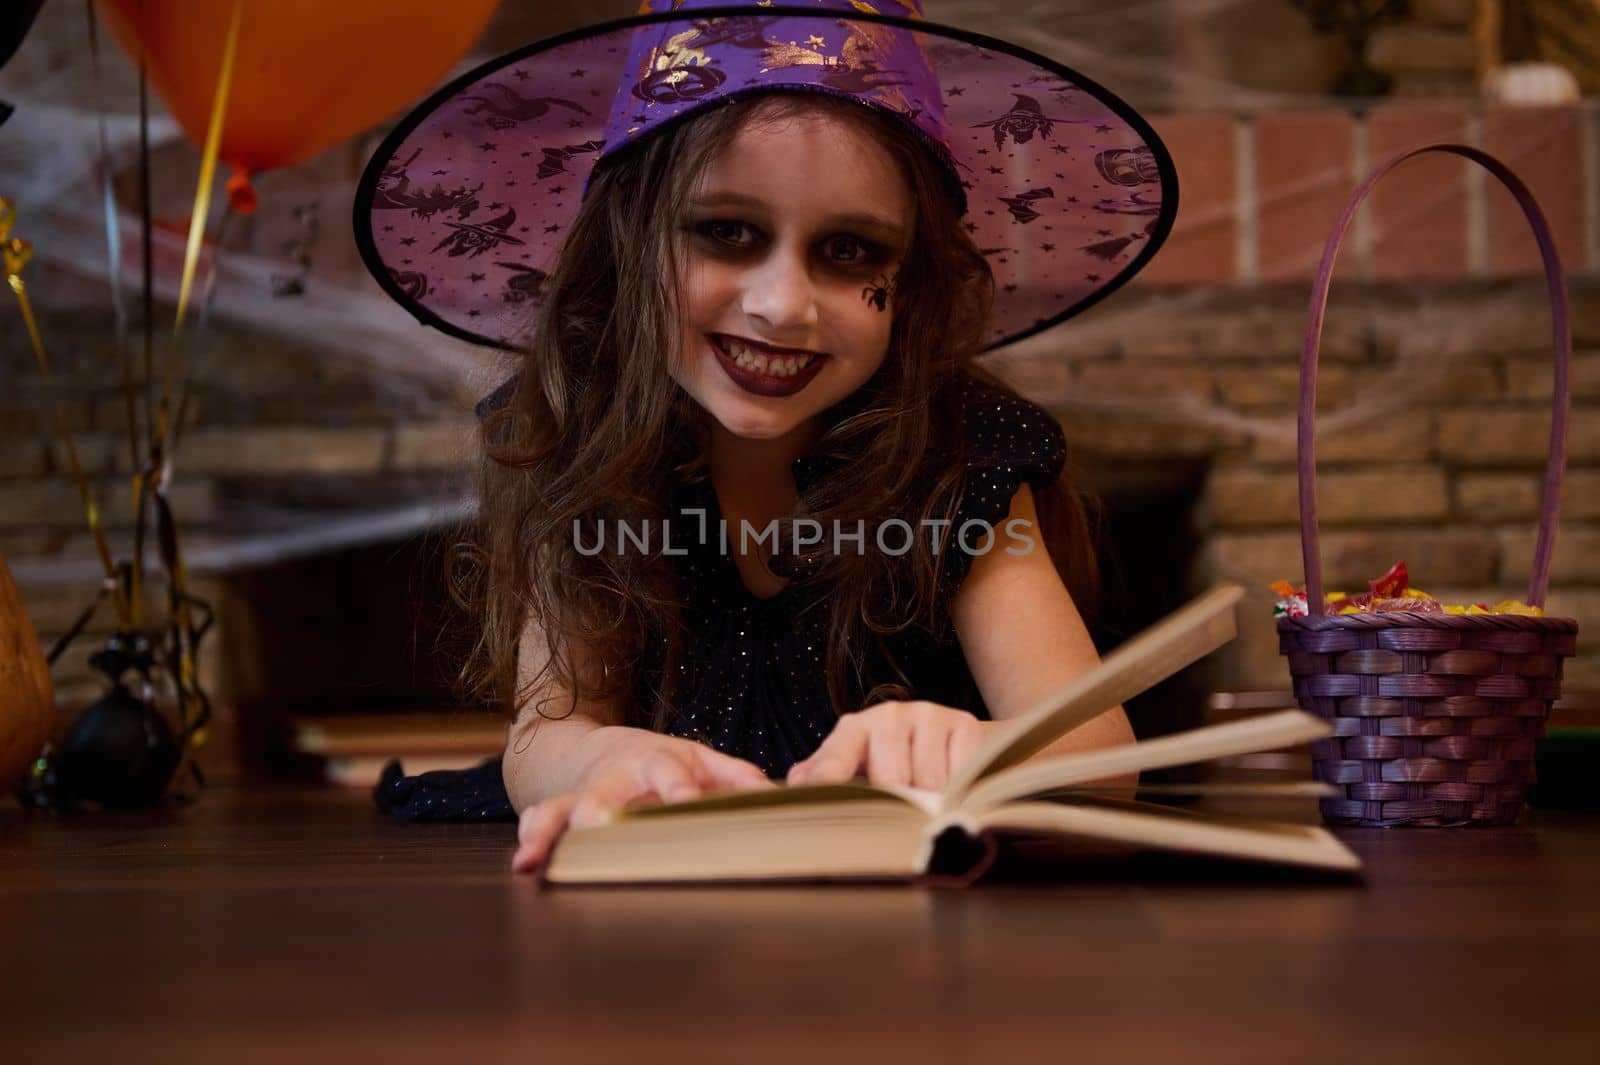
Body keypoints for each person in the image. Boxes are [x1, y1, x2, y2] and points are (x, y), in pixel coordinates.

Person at [354, 0, 1177, 874]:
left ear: (914, 282)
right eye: (728, 233)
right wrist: (601, 759)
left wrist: (974, 748)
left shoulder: (962, 455)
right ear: (629, 243)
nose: (783, 305)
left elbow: (1098, 757)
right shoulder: (581, 434)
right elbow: (546, 734)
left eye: (852, 251)